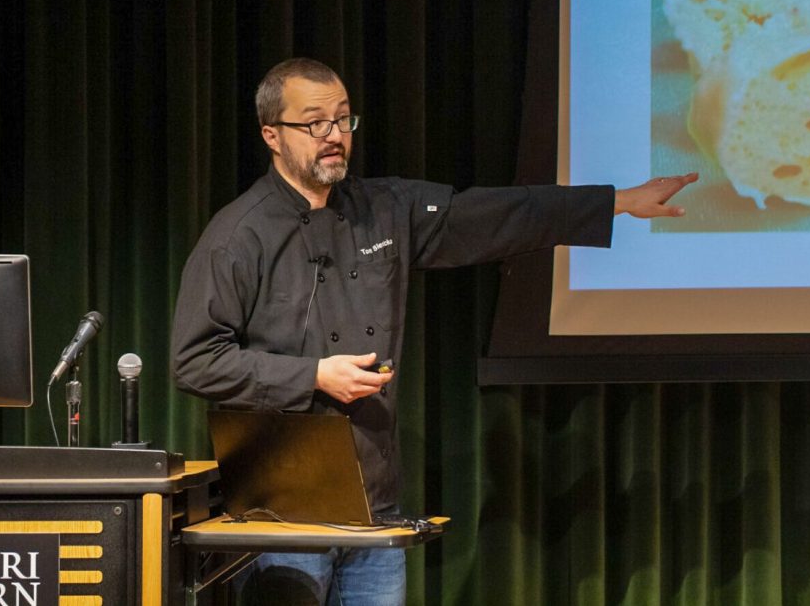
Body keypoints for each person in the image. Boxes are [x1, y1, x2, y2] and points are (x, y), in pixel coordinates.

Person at [171, 57, 696, 606]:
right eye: (315, 123)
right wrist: (314, 376)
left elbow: (495, 214)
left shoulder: (384, 208)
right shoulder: (238, 236)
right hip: (282, 516)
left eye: (344, 120)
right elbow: (195, 360)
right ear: (271, 135)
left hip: (377, 512)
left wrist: (614, 201)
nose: (334, 137)